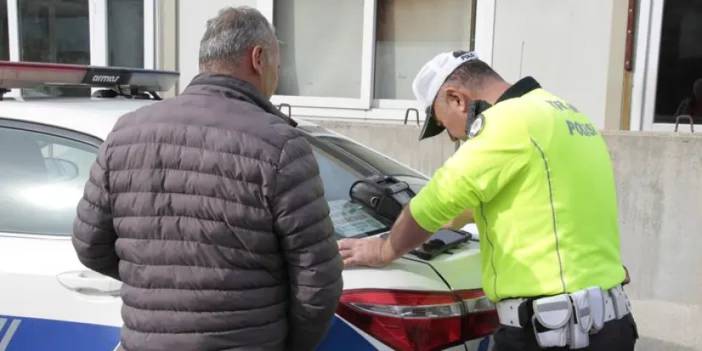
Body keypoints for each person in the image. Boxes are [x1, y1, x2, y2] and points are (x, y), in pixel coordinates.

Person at [73, 7, 342, 351]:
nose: (279, 73)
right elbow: (318, 281)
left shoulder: (125, 132)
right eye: (278, 61)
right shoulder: (280, 145)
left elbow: (89, 243)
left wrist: (155, 285)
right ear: (258, 58)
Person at [338, 51, 637, 350]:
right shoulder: (566, 114)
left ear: (457, 99)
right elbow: (535, 200)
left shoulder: (506, 121)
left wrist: (383, 248)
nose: (455, 139)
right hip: (609, 326)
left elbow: (433, 203)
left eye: (444, 126)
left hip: (554, 335)